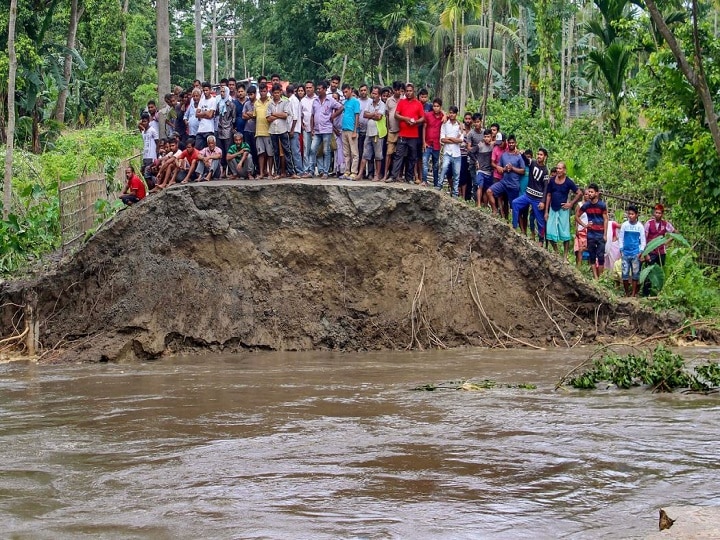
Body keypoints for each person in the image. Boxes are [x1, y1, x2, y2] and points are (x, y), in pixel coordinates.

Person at [511, 147, 549, 242]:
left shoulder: (545, 171)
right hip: (528, 195)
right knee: (515, 203)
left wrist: (543, 202)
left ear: (545, 157)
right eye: (538, 154)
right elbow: (526, 159)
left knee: (540, 221)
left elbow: (545, 188)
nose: (539, 156)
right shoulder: (533, 163)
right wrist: (522, 153)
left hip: (537, 198)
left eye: (541, 155)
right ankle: (514, 227)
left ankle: (541, 240)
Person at [389, 82, 424, 183]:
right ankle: (393, 176)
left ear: (414, 91)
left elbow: (422, 118)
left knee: (412, 156)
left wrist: (416, 122)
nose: (408, 93)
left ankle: (409, 177)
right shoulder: (401, 102)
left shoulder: (418, 103)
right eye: (407, 91)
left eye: (410, 91)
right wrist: (405, 119)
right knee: (398, 155)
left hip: (413, 135)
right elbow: (396, 115)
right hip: (403, 134)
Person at [309, 80, 343, 179]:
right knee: (312, 149)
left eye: (320, 89)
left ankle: (325, 172)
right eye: (317, 89)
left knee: (326, 151)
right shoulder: (315, 101)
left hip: (327, 129)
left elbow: (341, 107)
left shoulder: (330, 100)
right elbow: (312, 115)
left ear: (324, 89)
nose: (318, 90)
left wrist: (333, 115)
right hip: (317, 130)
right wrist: (312, 129)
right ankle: (311, 171)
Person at [487, 134, 524, 219]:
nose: (511, 144)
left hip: (514, 185)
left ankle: (516, 226)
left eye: (513, 143)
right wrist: (504, 168)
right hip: (504, 182)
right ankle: (495, 211)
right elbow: (500, 168)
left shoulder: (519, 156)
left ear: (515, 143)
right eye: (510, 143)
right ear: (508, 143)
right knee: (489, 191)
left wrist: (512, 168)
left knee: (514, 206)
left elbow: (522, 171)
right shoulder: (504, 155)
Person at [576, 183, 608, 279]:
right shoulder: (586, 205)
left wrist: (605, 234)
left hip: (600, 233)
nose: (589, 194)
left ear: (597, 193)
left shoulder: (602, 205)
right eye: (588, 192)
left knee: (601, 256)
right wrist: (585, 225)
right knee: (592, 256)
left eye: (591, 192)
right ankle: (596, 277)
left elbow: (606, 219)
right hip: (590, 234)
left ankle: (600, 277)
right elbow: (577, 216)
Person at [642, 203, 676, 295]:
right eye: (656, 212)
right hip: (651, 252)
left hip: (661, 252)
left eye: (659, 213)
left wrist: (667, 242)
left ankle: (657, 293)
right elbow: (644, 239)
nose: (657, 214)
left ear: (662, 214)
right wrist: (646, 253)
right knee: (649, 273)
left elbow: (675, 233)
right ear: (654, 213)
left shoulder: (666, 224)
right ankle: (646, 294)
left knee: (659, 273)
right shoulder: (648, 223)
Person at [267, 83, 298, 178]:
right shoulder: (270, 104)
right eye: (274, 93)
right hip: (273, 131)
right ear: (272, 93)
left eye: (278, 92)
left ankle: (292, 172)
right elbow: (268, 118)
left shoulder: (285, 102)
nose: (276, 94)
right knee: (275, 152)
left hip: (283, 130)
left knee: (287, 151)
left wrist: (274, 114)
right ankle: (278, 172)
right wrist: (279, 115)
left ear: (280, 92)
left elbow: (285, 115)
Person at [357, 85, 386, 181]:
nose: (373, 95)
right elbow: (365, 115)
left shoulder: (382, 104)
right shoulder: (369, 103)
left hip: (377, 133)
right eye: (372, 93)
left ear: (379, 95)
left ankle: (377, 175)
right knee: (365, 154)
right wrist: (374, 114)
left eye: (375, 93)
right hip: (368, 133)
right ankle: (360, 174)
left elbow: (379, 117)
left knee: (378, 155)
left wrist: (371, 115)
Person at [619, 205, 647, 297]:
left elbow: (643, 241)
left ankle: (633, 294)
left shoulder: (640, 227)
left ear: (636, 215)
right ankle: (627, 293)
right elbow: (621, 238)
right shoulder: (624, 225)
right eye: (629, 214)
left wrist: (641, 251)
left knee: (635, 274)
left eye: (632, 214)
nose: (630, 216)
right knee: (625, 274)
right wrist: (621, 249)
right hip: (625, 253)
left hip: (636, 253)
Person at [435, 106, 463, 197]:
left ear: (456, 114)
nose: (451, 114)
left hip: (457, 153)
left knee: (456, 174)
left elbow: (461, 140)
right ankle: (439, 186)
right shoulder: (444, 124)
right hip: (447, 152)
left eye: (453, 113)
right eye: (450, 112)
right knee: (444, 168)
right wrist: (454, 139)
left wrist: (450, 138)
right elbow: (442, 139)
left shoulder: (459, 126)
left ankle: (455, 193)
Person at [339, 83, 361, 180]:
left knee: (354, 152)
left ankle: (354, 172)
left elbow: (357, 116)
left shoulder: (355, 101)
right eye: (343, 92)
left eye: (346, 92)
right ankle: (347, 171)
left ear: (350, 91)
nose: (345, 94)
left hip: (352, 130)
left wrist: (355, 131)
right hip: (344, 129)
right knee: (346, 153)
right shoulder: (345, 102)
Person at [422, 98, 444, 188]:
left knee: (435, 165)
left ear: (440, 107)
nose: (436, 108)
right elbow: (424, 128)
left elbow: (453, 118)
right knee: (424, 162)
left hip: (436, 144)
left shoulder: (443, 116)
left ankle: (435, 184)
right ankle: (424, 181)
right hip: (427, 143)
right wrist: (423, 142)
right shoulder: (427, 115)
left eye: (437, 106)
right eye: (434, 106)